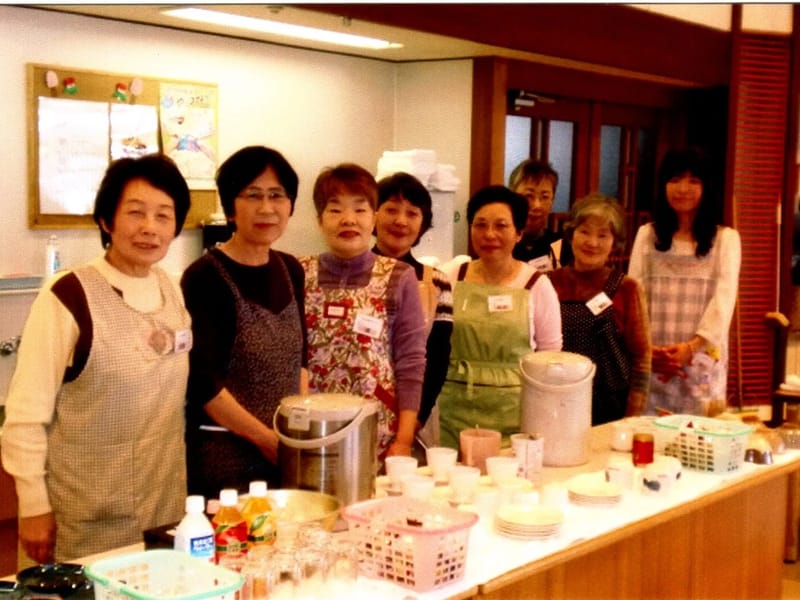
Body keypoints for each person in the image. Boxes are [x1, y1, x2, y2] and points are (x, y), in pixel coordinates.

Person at [1, 154, 192, 564]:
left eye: (163, 215)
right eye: (135, 212)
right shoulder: (68, 295)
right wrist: (33, 505)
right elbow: (25, 414)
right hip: (83, 512)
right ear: (107, 220)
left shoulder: (174, 290)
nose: (150, 227)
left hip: (163, 504)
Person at [181, 146, 307, 497]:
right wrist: (265, 439)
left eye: (276, 195)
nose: (266, 208)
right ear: (230, 208)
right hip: (225, 456)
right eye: (252, 195)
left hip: (283, 449)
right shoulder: (205, 276)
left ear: (290, 205)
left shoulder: (291, 269)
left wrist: (298, 429)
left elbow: (300, 361)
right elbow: (203, 384)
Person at [301, 163, 427, 459]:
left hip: (377, 430)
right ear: (319, 220)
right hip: (311, 428)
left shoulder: (399, 276)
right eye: (335, 210)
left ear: (374, 218)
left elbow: (411, 361)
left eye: (360, 209)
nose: (348, 219)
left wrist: (404, 440)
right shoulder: (298, 272)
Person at [437, 185, 562, 448]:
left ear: (519, 233)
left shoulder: (537, 285)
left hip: (515, 413)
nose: (489, 234)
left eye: (501, 226)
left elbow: (550, 356)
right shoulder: (452, 275)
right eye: (480, 225)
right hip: (453, 408)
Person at [628, 147, 741, 416]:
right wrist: (649, 350)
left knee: (698, 434)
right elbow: (633, 296)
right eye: (675, 179)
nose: (682, 189)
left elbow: (723, 302)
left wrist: (690, 348)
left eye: (693, 181)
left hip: (702, 361)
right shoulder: (647, 235)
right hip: (655, 358)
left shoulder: (726, 240)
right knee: (649, 432)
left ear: (707, 187)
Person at [548, 193, 651, 425]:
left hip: (612, 407)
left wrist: (633, 416)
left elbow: (642, 356)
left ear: (615, 242)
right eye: (584, 232)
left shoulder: (627, 288)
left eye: (603, 235)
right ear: (571, 234)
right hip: (555, 401)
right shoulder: (549, 282)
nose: (592, 243)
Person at [373, 172, 453, 448]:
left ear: (423, 223)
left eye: (412, 213)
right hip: (358, 408)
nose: (401, 221)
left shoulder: (438, 281)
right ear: (373, 214)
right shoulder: (355, 274)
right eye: (391, 209)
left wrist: (416, 417)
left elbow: (439, 355)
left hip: (417, 411)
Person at [509, 159, 572, 271]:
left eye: (545, 197)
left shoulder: (562, 246)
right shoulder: (501, 244)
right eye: (528, 196)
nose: (537, 205)